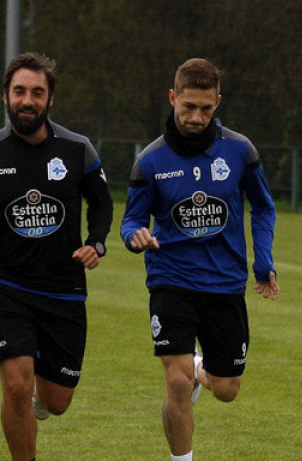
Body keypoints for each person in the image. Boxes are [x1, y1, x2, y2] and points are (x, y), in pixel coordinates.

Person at [0, 52, 113, 461]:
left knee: (56, 401)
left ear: (50, 98)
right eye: (19, 91)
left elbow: (103, 204)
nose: (27, 100)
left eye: (37, 92)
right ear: (5, 96)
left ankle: (44, 388)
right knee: (16, 385)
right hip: (6, 286)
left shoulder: (79, 150)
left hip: (64, 288)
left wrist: (97, 242)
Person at [120, 58, 280, 461]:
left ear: (218, 103)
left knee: (226, 390)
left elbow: (263, 207)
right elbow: (133, 219)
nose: (195, 117)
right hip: (170, 279)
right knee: (176, 383)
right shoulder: (151, 161)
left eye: (206, 109)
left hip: (224, 283)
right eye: (188, 106)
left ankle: (199, 366)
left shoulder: (240, 150)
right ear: (173, 97)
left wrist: (263, 262)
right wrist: (134, 236)